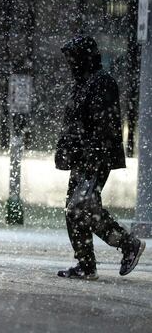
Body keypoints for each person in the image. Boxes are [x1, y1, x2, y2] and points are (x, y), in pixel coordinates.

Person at [55, 35, 144, 280]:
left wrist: (91, 153)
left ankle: (127, 244)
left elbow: (103, 124)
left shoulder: (100, 83)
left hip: (93, 158)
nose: (70, 64)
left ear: (83, 58)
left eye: (73, 59)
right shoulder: (84, 82)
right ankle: (86, 264)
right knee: (75, 210)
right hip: (83, 158)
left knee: (81, 207)